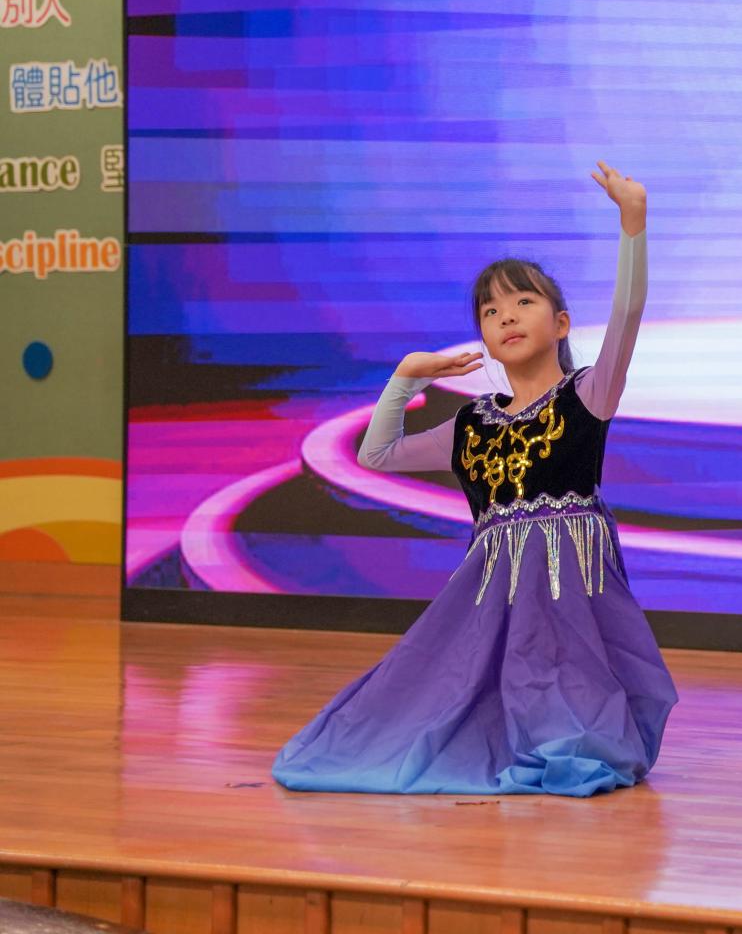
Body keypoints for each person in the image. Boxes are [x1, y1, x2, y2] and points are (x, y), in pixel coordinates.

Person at [271, 160, 677, 795]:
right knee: (470, 702)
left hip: (572, 593)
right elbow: (377, 455)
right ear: (483, 335)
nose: (507, 317)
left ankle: (569, 739)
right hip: (497, 600)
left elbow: (627, 314)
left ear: (561, 324)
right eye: (491, 310)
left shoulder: (588, 395)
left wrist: (634, 223)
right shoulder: (471, 425)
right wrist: (406, 376)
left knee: (575, 700)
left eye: (524, 302)